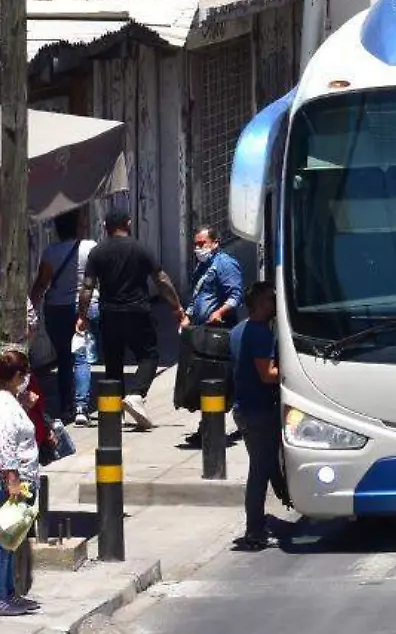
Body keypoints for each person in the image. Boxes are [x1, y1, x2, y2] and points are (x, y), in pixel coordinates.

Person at [80, 209, 187, 429]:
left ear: (105, 227)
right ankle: (136, 394)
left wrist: (81, 316)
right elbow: (161, 279)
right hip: (137, 311)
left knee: (113, 363)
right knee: (149, 355)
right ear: (128, 224)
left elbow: (87, 287)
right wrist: (176, 307)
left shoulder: (97, 252)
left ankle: (112, 413)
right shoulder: (140, 249)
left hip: (109, 313)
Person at [0, 349, 42, 617]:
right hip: (7, 483)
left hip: (14, 480)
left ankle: (8, 593)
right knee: (3, 537)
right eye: (24, 374)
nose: (27, 379)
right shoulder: (1, 404)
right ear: (16, 376)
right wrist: (13, 481)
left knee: (10, 538)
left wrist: (24, 405)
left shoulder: (2, 397)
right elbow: (5, 444)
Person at [230, 282, 284, 551]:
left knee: (263, 467)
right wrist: (291, 371)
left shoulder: (238, 330)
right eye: (271, 301)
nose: (275, 305)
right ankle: (254, 530)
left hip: (244, 409)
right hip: (258, 410)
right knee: (259, 471)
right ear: (261, 304)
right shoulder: (260, 334)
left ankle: (264, 520)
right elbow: (267, 374)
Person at [181, 226, 245, 446]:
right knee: (203, 380)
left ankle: (219, 428)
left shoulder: (225, 264)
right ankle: (207, 427)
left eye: (202, 244)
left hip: (220, 332)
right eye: (196, 244)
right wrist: (187, 316)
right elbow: (196, 295)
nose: (198, 248)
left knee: (218, 381)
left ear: (215, 243)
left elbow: (236, 295)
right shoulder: (202, 266)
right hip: (202, 332)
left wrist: (219, 312)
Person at [32, 212, 95, 424]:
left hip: (55, 308)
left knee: (63, 357)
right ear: (78, 226)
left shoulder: (50, 252)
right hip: (82, 307)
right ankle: (81, 406)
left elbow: (41, 284)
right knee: (80, 355)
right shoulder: (90, 247)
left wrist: (31, 308)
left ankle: (66, 406)